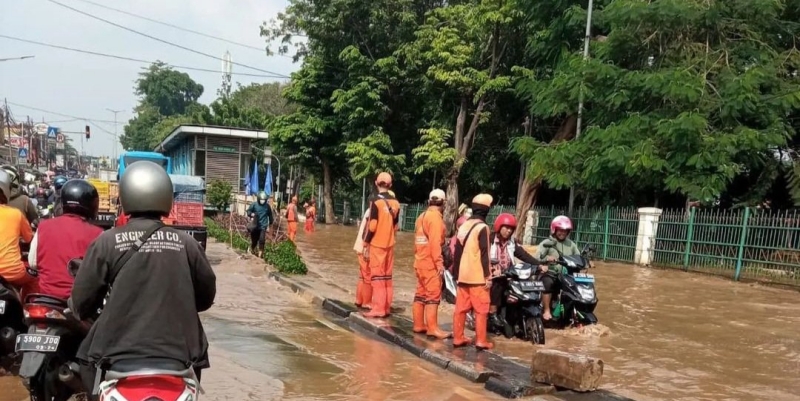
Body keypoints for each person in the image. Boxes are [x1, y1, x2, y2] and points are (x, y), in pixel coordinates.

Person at [69, 161, 216, 399]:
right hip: (183, 355)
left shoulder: (107, 241)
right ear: (166, 198)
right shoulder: (188, 244)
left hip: (115, 356)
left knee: (85, 362)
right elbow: (206, 298)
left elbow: (81, 303)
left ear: (126, 196)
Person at [28, 180, 104, 300]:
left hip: (46, 299)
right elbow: (101, 274)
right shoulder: (98, 234)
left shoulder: (43, 226)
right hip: (79, 304)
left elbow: (32, 263)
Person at [452, 193, 493, 349]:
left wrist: (456, 274)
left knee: (461, 308)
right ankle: (481, 340)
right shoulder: (482, 228)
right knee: (481, 309)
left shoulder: (464, 225)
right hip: (477, 277)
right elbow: (485, 254)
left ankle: (458, 337)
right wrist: (488, 276)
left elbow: (457, 252)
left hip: (463, 276)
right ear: (486, 211)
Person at [488, 213, 543, 327]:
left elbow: (524, 255)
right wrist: (492, 268)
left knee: (526, 283)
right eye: (506, 228)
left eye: (511, 229)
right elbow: (482, 256)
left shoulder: (512, 242)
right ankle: (492, 313)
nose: (509, 231)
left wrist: (539, 265)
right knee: (498, 283)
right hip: (493, 275)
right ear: (499, 226)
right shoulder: (490, 240)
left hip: (509, 273)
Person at [411, 189, 451, 339]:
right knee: (433, 296)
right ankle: (432, 328)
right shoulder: (435, 219)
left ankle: (418, 324)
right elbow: (435, 244)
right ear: (444, 203)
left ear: (429, 202)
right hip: (430, 264)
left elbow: (416, 242)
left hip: (420, 261)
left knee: (420, 294)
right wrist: (439, 264)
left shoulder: (421, 216)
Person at [362, 172, 400, 318]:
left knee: (377, 278)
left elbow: (372, 226)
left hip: (377, 244)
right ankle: (386, 308)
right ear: (390, 185)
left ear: (377, 183)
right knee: (387, 278)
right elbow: (395, 226)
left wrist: (366, 243)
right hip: (390, 244)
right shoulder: (396, 203)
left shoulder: (375, 201)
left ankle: (378, 309)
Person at [535, 215, 581, 321]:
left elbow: (578, 256)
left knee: (578, 285)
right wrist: (547, 258)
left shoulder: (571, 244)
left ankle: (574, 311)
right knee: (547, 282)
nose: (562, 233)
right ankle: (546, 310)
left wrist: (586, 262)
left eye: (565, 231)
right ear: (554, 230)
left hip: (567, 275)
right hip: (550, 273)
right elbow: (537, 257)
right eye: (560, 230)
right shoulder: (547, 243)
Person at [0, 169, 36, 298]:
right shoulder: (15, 214)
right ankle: (25, 313)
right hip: (13, 272)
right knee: (35, 280)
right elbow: (28, 238)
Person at [353, 207, 371, 310]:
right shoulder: (374, 210)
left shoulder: (370, 209)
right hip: (365, 248)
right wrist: (367, 247)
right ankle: (366, 302)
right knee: (368, 276)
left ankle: (359, 300)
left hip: (361, 247)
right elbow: (368, 229)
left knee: (363, 276)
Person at [247, 191, 272, 257]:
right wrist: (251, 214)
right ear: (258, 199)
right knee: (254, 240)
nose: (262, 201)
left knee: (262, 239)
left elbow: (270, 216)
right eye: (261, 200)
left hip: (263, 226)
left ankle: (260, 253)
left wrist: (271, 224)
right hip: (255, 225)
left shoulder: (267, 207)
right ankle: (252, 249)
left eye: (263, 200)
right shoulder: (254, 204)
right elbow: (248, 211)